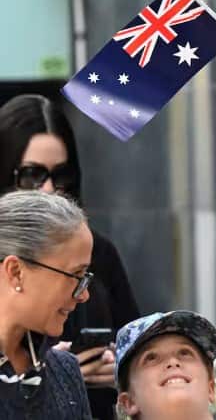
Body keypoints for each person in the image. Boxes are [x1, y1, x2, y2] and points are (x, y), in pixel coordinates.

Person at [0, 93, 141, 419]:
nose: (48, 189)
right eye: (32, 175)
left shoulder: (98, 250)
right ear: (15, 272)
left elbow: (138, 342)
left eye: (61, 176)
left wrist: (118, 367)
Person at [0, 190, 94, 419]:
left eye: (85, 277)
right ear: (16, 272)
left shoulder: (64, 370)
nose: (84, 295)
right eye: (75, 275)